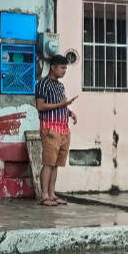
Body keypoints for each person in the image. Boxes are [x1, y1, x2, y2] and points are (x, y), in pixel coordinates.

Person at [34, 54, 77, 207]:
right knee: (48, 163)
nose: (64, 71)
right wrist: (60, 105)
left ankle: (52, 193)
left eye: (66, 68)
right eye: (62, 68)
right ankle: (44, 195)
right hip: (50, 128)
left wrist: (69, 111)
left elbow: (60, 104)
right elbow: (40, 106)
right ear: (53, 67)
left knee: (56, 163)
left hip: (63, 128)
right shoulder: (43, 84)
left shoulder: (60, 86)